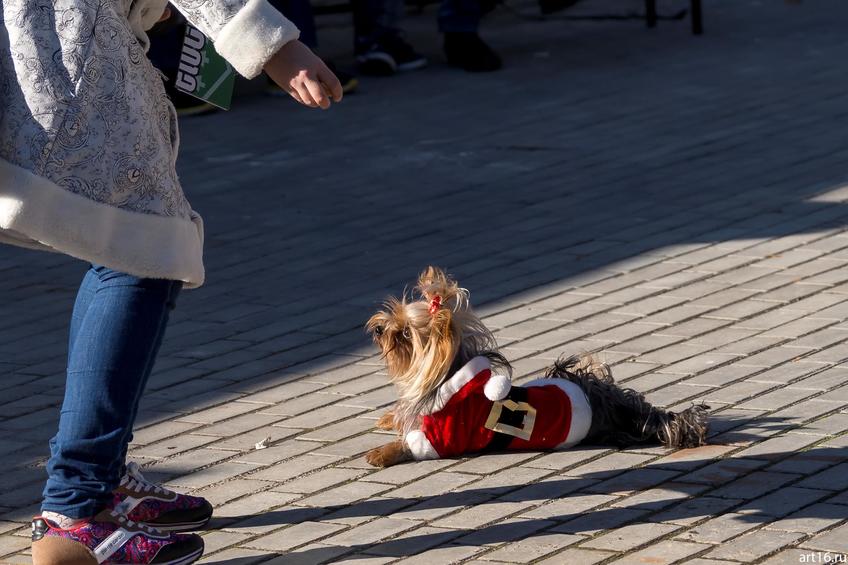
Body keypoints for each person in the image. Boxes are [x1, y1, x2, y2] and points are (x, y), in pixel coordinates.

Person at [0, 0, 342, 563]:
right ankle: (77, 508)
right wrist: (275, 47)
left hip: (47, 41)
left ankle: (97, 482)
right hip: (60, 44)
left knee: (129, 245)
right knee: (143, 246)